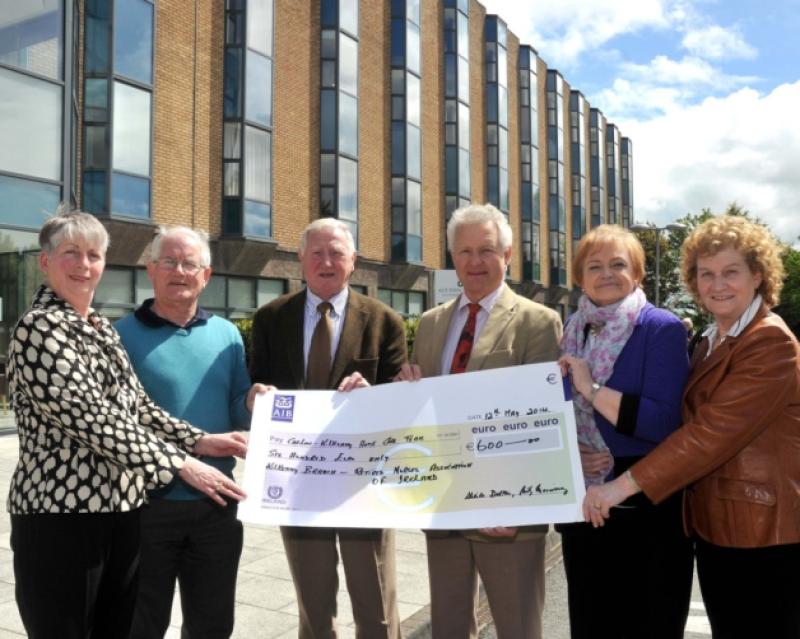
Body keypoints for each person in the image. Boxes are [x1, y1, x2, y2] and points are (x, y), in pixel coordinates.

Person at [6, 209, 247, 639]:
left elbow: (138, 407)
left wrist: (201, 440)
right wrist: (180, 463)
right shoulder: (39, 328)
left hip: (119, 512)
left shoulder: (100, 327)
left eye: (94, 255)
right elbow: (91, 418)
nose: (83, 265)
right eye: (71, 253)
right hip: (62, 516)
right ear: (45, 261)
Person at [585, 215, 800, 638]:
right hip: (720, 526)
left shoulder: (769, 342)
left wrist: (619, 487)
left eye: (731, 272)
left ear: (758, 275)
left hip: (763, 535)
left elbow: (709, 436)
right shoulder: (710, 341)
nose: (718, 285)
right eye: (706, 274)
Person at [395, 203, 562, 639]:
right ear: (453, 257)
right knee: (448, 626)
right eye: (464, 251)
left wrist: (513, 501)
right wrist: (405, 389)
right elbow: (424, 413)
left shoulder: (539, 322)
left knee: (517, 626)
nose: (475, 262)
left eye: (486, 250)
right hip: (445, 503)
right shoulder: (430, 323)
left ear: (507, 255)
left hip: (506, 511)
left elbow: (539, 423)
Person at [249, 218, 407, 639]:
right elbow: (257, 384)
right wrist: (256, 396)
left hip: (362, 485)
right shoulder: (270, 319)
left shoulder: (385, 320)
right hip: (297, 483)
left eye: (336, 253)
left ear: (353, 260)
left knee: (376, 609)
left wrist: (374, 395)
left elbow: (399, 403)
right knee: (314, 610)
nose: (326, 262)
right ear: (300, 259)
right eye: (316, 253)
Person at [117, 226, 270, 638]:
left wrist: (251, 401)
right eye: (168, 261)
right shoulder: (120, 336)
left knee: (212, 624)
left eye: (190, 263)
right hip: (146, 506)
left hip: (217, 503)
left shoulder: (227, 335)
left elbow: (235, 410)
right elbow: (119, 422)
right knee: (141, 624)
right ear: (150, 269)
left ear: (206, 275)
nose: (179, 271)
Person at [557, 224, 694, 638]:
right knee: (591, 623)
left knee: (647, 624)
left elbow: (663, 423)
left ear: (637, 273)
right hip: (584, 509)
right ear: (580, 278)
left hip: (646, 512)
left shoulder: (661, 328)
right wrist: (571, 455)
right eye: (594, 266)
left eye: (618, 264)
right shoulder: (572, 329)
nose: (606, 274)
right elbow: (557, 415)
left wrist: (591, 389)